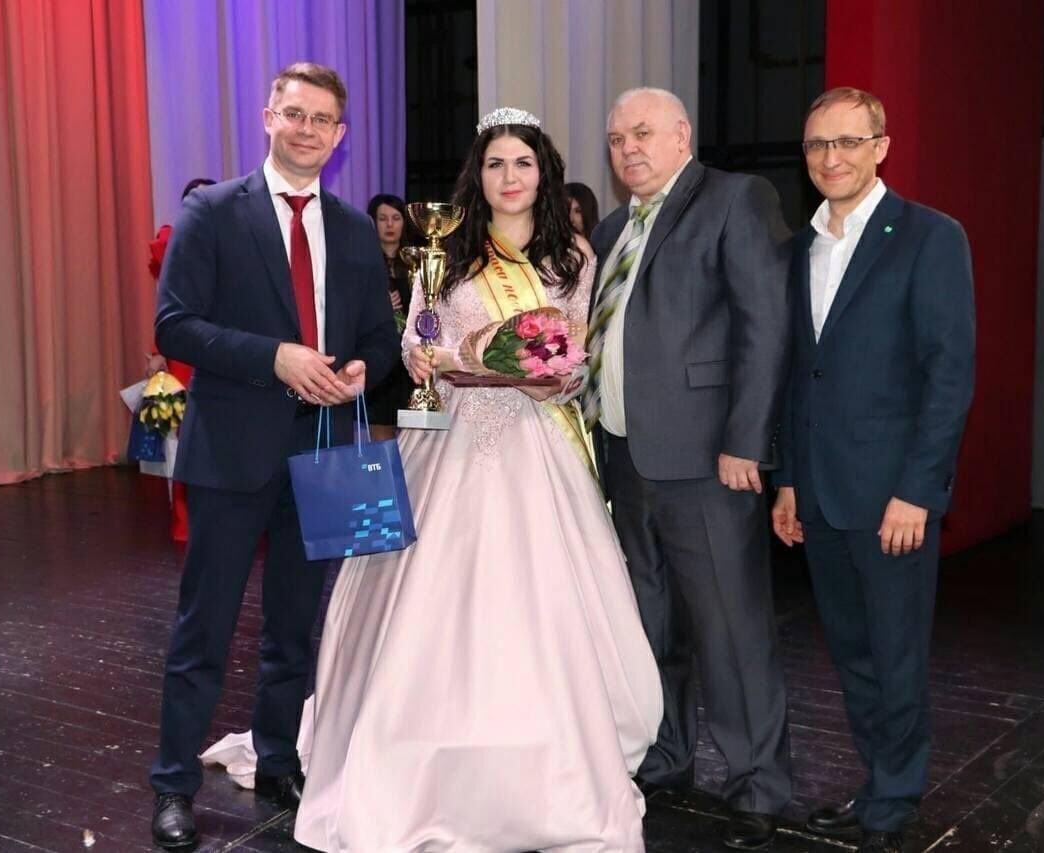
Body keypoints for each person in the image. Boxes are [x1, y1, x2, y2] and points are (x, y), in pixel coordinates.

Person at [205, 107, 664, 851]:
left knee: (539, 605)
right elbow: (418, 340)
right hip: (447, 442)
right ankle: (409, 752)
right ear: (476, 176)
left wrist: (536, 370)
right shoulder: (444, 248)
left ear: (542, 170)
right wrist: (427, 360)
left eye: (522, 163)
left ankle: (548, 763)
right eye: (494, 164)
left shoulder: (571, 253)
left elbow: (571, 358)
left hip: (533, 445)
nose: (509, 177)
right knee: (424, 602)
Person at [148, 62, 398, 851]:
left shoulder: (357, 230)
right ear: (267, 118)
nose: (306, 129)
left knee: (296, 626)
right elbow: (175, 326)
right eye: (293, 113)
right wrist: (275, 358)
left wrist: (360, 369)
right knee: (205, 628)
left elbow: (379, 341)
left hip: (322, 449)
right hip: (230, 454)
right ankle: (173, 784)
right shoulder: (213, 212)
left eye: (322, 119)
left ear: (341, 135)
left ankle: (280, 754)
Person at [574, 87, 793, 850]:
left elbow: (766, 328)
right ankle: (666, 757)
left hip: (707, 461)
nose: (627, 148)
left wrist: (747, 439)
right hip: (625, 460)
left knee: (730, 629)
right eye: (614, 138)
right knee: (649, 625)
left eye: (641, 133)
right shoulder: (611, 228)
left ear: (680, 135)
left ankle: (758, 782)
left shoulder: (735, 199)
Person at [771, 87, 975, 853]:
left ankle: (895, 792)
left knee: (895, 652)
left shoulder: (929, 236)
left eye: (849, 142)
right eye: (819, 144)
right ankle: (874, 778)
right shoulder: (800, 248)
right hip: (820, 492)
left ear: (881, 146)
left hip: (893, 496)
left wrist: (918, 490)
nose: (833, 158)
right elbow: (799, 375)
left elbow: (948, 375)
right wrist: (789, 478)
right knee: (852, 651)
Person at [146, 177, 215, 543]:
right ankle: (186, 523)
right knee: (183, 438)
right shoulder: (173, 240)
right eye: (193, 199)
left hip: (226, 354)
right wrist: (158, 351)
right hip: (185, 357)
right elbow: (166, 305)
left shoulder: (234, 242)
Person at [364, 193, 415, 439]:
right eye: (382, 218)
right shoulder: (364, 262)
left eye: (396, 218)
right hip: (381, 362)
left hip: (413, 363)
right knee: (381, 445)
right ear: (372, 222)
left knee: (415, 445)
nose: (390, 225)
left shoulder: (417, 262)